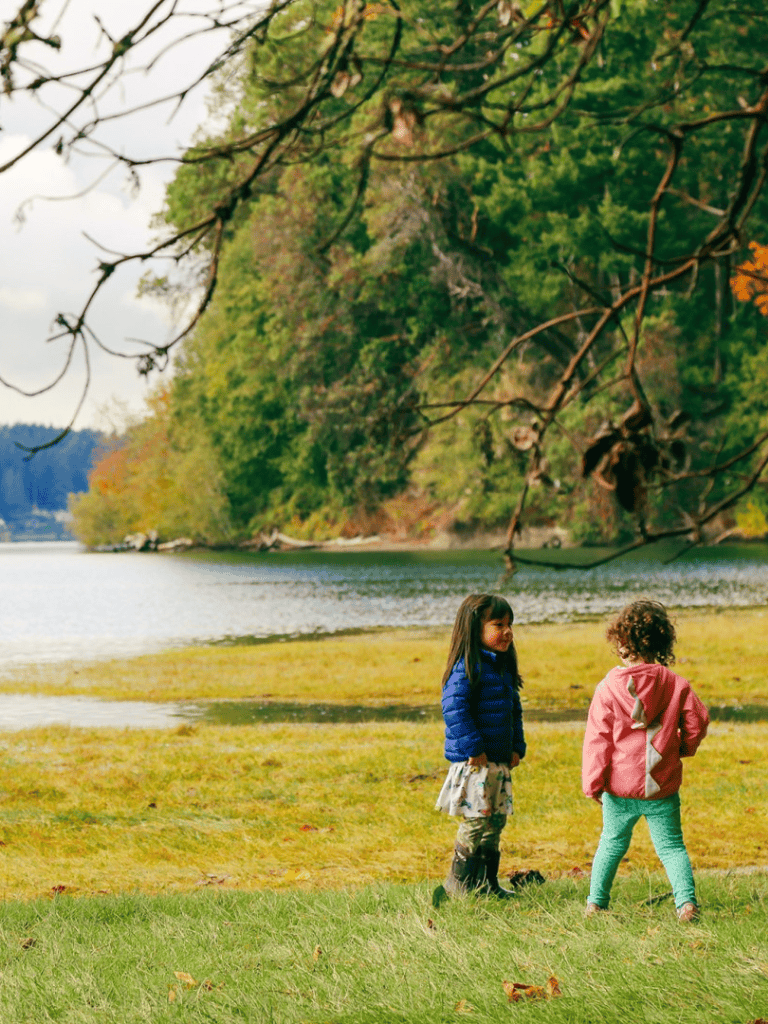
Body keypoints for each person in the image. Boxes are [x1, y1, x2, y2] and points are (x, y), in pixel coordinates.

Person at [582, 600, 709, 922]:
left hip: (619, 787)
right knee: (671, 847)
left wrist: (593, 782)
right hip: (661, 785)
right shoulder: (675, 683)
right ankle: (687, 905)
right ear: (663, 642)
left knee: (611, 844)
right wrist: (684, 749)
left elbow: (598, 739)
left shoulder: (608, 687)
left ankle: (595, 904)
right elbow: (698, 720)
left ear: (621, 642)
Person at [435, 593, 526, 899]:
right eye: (498, 624)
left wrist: (517, 746)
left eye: (510, 624)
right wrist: (473, 747)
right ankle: (458, 883)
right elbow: (454, 709)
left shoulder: (502, 669)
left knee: (496, 820)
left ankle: (487, 883)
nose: (507, 631)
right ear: (475, 629)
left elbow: (515, 710)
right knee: (476, 821)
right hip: (475, 762)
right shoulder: (467, 667)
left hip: (498, 761)